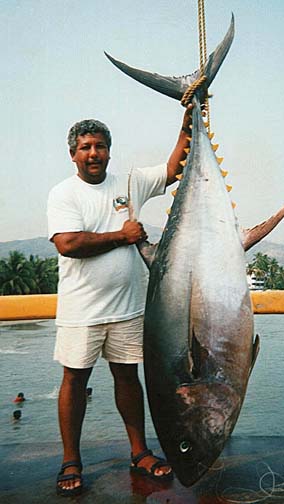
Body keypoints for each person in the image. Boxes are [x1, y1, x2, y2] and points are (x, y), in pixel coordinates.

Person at [47, 106, 192, 497]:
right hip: (82, 311)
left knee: (128, 378)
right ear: (73, 154)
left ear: (110, 151)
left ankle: (139, 452)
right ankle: (70, 459)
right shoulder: (63, 193)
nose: (93, 153)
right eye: (85, 147)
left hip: (127, 309)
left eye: (100, 146)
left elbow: (173, 169)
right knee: (75, 380)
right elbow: (68, 243)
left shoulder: (130, 183)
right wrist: (121, 235)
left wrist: (187, 123)